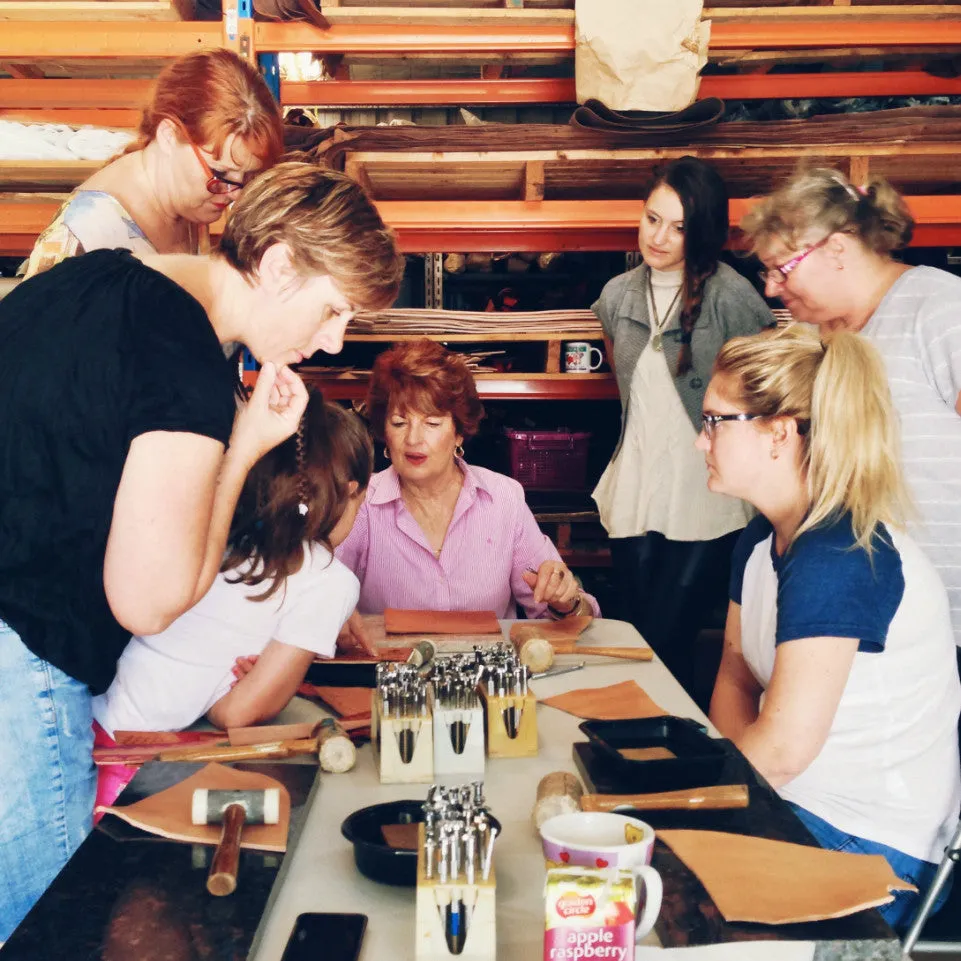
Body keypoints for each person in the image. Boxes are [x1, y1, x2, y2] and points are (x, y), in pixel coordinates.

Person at [0, 161, 403, 940]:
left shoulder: (94, 280)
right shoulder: (184, 357)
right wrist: (242, 450)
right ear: (281, 264)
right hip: (21, 662)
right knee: (44, 932)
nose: (334, 339)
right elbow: (148, 597)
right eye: (333, 311)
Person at [701, 324, 961, 932]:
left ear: (779, 433)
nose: (700, 440)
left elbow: (785, 752)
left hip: (873, 844)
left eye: (716, 421)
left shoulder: (839, 554)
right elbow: (737, 674)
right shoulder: (761, 539)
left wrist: (705, 809)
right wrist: (732, 797)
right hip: (793, 806)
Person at [91, 395, 371, 805]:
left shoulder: (229, 532)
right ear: (350, 491)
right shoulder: (331, 581)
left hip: (88, 720)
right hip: (131, 763)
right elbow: (238, 715)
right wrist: (239, 689)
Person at [742, 168, 961, 648]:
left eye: (783, 268)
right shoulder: (816, 340)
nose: (771, 289)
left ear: (837, 248)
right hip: (857, 617)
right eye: (766, 272)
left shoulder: (939, 308)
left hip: (948, 615)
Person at [591, 156, 773, 697]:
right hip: (638, 482)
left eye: (679, 227)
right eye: (652, 219)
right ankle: (640, 752)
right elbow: (631, 393)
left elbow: (766, 389)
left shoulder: (732, 296)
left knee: (669, 641)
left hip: (705, 492)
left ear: (705, 231)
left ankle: (671, 762)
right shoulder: (618, 295)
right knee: (636, 637)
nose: (660, 237)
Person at [335, 339, 600, 622]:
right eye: (399, 423)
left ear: (459, 432)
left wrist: (567, 602)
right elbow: (314, 599)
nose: (412, 440)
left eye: (432, 423)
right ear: (383, 432)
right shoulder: (361, 504)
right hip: (391, 664)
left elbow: (576, 616)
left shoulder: (503, 499)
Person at [23, 49, 284, 279]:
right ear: (168, 135)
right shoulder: (84, 235)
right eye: (220, 172)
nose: (234, 193)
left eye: (248, 176)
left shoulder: (186, 201)